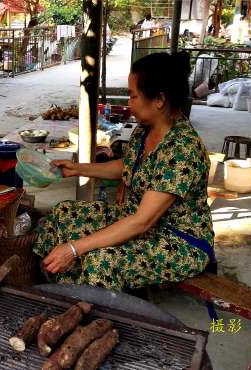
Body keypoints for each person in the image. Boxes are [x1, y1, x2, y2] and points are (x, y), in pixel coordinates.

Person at [33, 52, 215, 292]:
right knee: (64, 212)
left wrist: (75, 248)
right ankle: (63, 284)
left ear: (159, 99)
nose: (129, 104)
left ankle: (90, 310)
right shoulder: (144, 131)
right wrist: (77, 168)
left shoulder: (182, 150)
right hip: (142, 223)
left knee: (101, 260)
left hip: (177, 241)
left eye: (133, 96)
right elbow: (127, 166)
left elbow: (142, 221)